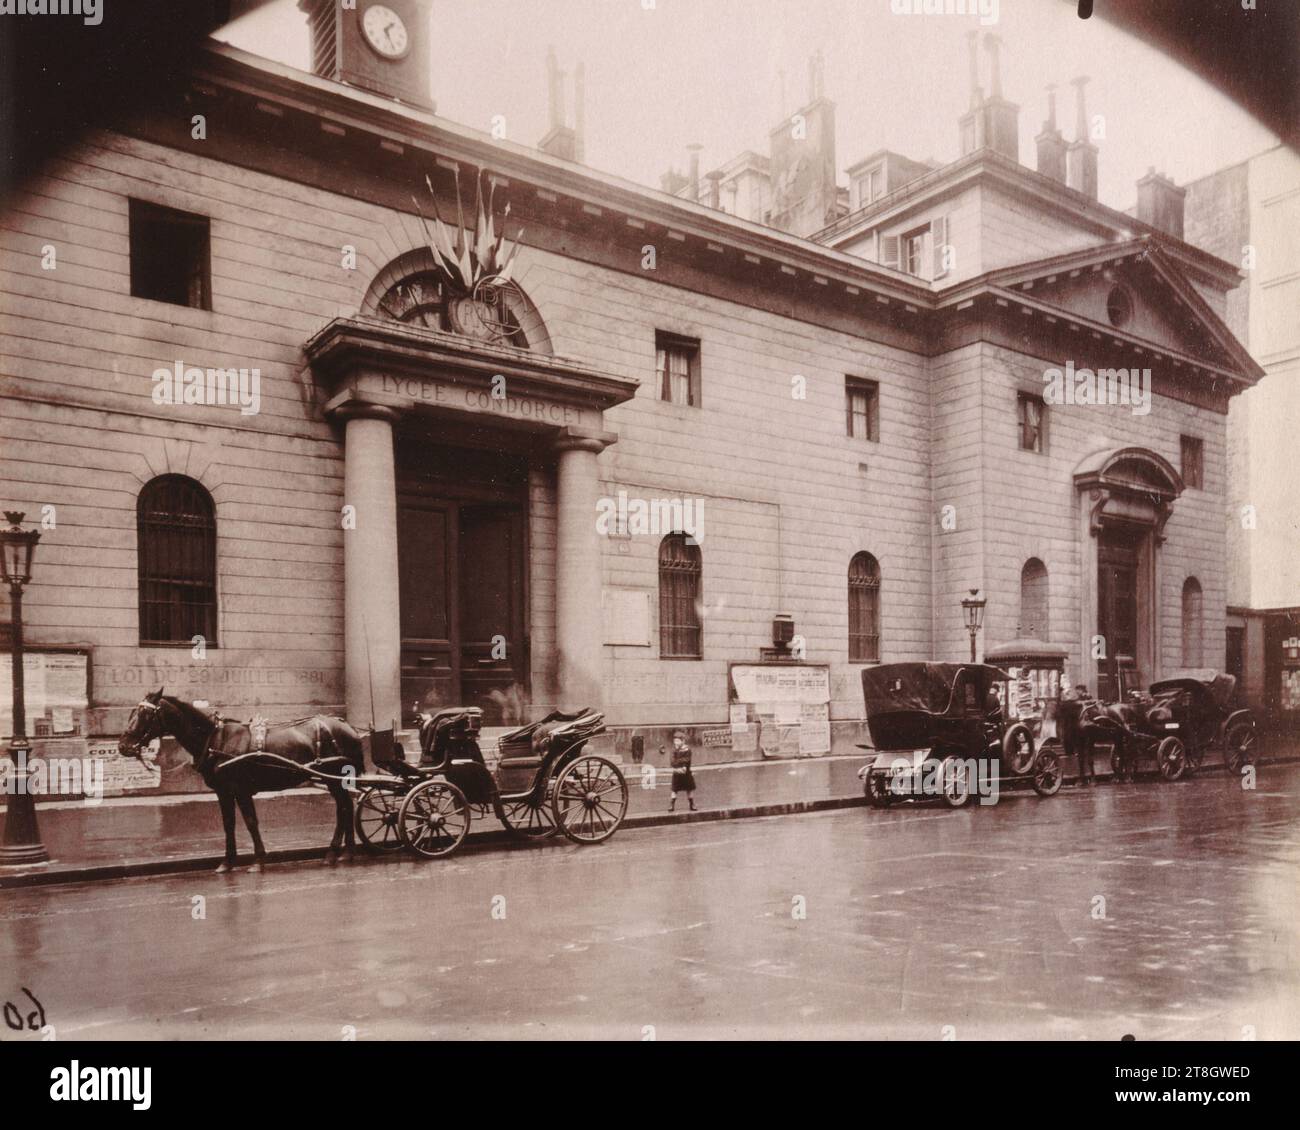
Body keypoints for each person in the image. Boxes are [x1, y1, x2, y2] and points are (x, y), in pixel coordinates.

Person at [664, 730, 696, 812]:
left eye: (678, 741)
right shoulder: (673, 750)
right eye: (675, 741)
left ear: (683, 741)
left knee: (689, 789)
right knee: (674, 790)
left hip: (686, 773)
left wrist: (679, 761)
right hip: (677, 772)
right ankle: (671, 805)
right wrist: (680, 764)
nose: (676, 743)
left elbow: (688, 759)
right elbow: (672, 762)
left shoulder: (687, 749)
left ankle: (692, 804)